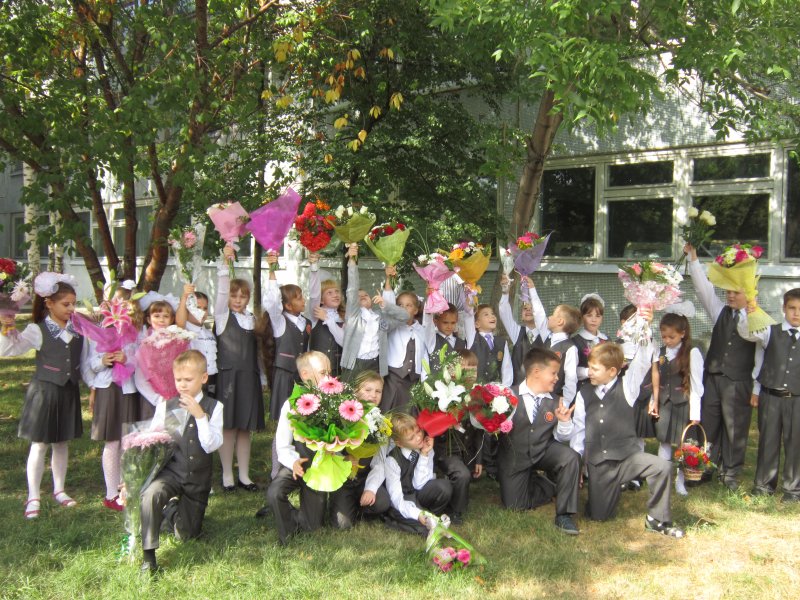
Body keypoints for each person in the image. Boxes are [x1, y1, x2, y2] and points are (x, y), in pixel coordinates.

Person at [572, 310, 685, 538]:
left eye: (594, 369)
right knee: (599, 516)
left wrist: (644, 323)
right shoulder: (583, 394)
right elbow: (579, 432)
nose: (588, 372)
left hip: (627, 460)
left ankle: (657, 520)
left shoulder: (627, 386)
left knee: (662, 466)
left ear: (612, 371)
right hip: (600, 466)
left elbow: (643, 360)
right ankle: (604, 495)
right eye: (589, 367)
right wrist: (579, 467)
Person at [0, 273, 87, 520]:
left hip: (68, 390)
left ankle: (59, 489)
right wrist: (6, 328)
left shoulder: (78, 327)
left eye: (73, 304)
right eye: (66, 304)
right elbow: (9, 350)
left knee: (62, 442)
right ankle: (33, 495)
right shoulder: (36, 330)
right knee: (40, 444)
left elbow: (84, 358)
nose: (71, 309)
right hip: (45, 392)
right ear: (49, 303)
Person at [139, 350, 223, 574]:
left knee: (187, 535)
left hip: (197, 479)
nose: (183, 385)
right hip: (172, 472)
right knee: (151, 495)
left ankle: (171, 510)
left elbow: (211, 445)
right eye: (178, 380)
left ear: (203, 378)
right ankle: (149, 558)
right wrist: (136, 476)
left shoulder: (215, 407)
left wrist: (200, 416)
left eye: (188, 380)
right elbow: (152, 442)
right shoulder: (166, 406)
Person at [685, 243, 755, 491]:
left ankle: (731, 472)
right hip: (713, 378)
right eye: (728, 292)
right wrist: (693, 258)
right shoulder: (720, 311)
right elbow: (703, 289)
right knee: (709, 424)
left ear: (748, 292)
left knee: (735, 427)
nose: (730, 296)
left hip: (738, 380)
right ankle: (705, 466)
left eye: (736, 292)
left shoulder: (755, 317)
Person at [499, 347, 581, 535]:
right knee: (515, 506)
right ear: (536, 372)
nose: (557, 378)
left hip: (544, 450)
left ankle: (564, 515)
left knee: (570, 457)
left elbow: (562, 437)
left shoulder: (556, 401)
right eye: (553, 373)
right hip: (516, 457)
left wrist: (564, 422)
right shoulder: (508, 396)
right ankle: (547, 485)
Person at [738, 288, 800, 501]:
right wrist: (747, 312)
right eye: (792, 308)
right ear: (784, 308)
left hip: (797, 400)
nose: (796, 313)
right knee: (768, 441)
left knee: (795, 443)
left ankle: (793, 489)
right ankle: (764, 485)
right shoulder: (770, 331)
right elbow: (747, 333)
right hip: (771, 397)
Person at [265, 351, 331, 543]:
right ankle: (287, 532)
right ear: (305, 375)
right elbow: (282, 444)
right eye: (323, 373)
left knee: (312, 527)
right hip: (297, 463)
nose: (328, 378)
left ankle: (300, 518)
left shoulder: (334, 403)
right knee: (274, 493)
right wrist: (293, 462)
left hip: (319, 470)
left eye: (329, 373)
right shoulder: (291, 405)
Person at [215, 246, 265, 492]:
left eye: (243, 296)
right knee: (228, 427)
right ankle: (227, 474)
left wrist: (262, 376)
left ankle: (244, 475)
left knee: (245, 428)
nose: (237, 300)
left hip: (249, 378)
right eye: (234, 296)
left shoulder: (252, 320)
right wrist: (226, 264)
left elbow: (258, 352)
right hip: (229, 378)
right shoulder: (222, 317)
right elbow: (221, 291)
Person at [86, 319, 139, 511]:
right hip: (108, 389)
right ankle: (111, 493)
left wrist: (127, 360)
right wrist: (103, 361)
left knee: (127, 440)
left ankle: (125, 489)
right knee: (112, 441)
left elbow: (138, 359)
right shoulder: (99, 333)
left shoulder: (132, 332)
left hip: (128, 389)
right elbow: (90, 363)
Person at [651, 308, 704, 497]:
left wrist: (695, 413)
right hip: (665, 404)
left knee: (684, 445)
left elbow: (697, 383)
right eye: (664, 336)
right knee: (664, 442)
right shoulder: (660, 352)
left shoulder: (692, 352)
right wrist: (654, 400)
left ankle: (680, 481)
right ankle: (662, 478)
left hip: (683, 405)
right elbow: (656, 379)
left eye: (671, 337)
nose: (667, 340)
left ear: (682, 333)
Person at [329, 370, 392, 529]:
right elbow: (330, 449)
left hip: (364, 478)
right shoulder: (343, 416)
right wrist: (344, 458)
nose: (373, 395)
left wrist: (370, 489)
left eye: (378, 391)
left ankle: (361, 510)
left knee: (382, 502)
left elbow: (380, 462)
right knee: (342, 525)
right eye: (368, 390)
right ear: (356, 391)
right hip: (343, 479)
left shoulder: (381, 424)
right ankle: (344, 505)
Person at [340, 243, 409, 381]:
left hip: (375, 365)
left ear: (372, 300)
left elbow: (405, 316)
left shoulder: (380, 317)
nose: (362, 296)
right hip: (354, 364)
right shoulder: (354, 316)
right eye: (358, 296)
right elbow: (352, 289)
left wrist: (385, 304)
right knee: (349, 394)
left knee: (373, 394)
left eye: (365, 294)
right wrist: (352, 262)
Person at [432, 349, 483, 524]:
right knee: (462, 474)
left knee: (464, 474)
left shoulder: (477, 395)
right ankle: (456, 511)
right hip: (447, 450)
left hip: (467, 451)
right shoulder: (444, 392)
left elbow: (479, 430)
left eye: (474, 369)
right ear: (452, 372)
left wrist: (479, 459)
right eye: (466, 369)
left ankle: (455, 497)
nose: (472, 373)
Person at [383, 412, 453, 536]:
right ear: (399, 443)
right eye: (411, 438)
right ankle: (415, 520)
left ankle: (431, 516)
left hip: (419, 493)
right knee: (422, 526)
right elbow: (397, 499)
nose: (419, 437)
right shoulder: (392, 461)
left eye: (418, 431)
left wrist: (424, 454)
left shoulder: (424, 446)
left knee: (444, 486)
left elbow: (420, 484)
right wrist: (417, 514)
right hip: (404, 498)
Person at [265, 251, 310, 421]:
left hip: (302, 374)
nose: (303, 300)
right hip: (284, 372)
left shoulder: (306, 321)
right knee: (284, 415)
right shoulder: (279, 321)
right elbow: (272, 303)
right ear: (288, 305)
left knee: (301, 414)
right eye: (299, 298)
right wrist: (272, 272)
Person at [382, 270, 425, 412]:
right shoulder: (393, 326)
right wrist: (388, 278)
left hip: (414, 380)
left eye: (408, 305)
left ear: (416, 310)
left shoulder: (423, 330)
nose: (404, 308)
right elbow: (387, 304)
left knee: (410, 413)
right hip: (394, 377)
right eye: (400, 305)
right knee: (390, 412)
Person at [134, 296, 179, 420]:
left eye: (165, 316)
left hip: (174, 395)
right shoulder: (145, 344)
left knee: (173, 428)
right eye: (157, 316)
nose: (161, 320)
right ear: (149, 319)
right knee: (151, 429)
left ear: (172, 319)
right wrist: (157, 399)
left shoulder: (177, 341)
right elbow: (140, 377)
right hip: (151, 397)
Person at [532, 298, 581, 407]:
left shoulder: (570, 348)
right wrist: (531, 290)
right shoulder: (547, 339)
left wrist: (564, 404)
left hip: (554, 402)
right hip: (536, 396)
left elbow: (571, 380)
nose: (549, 317)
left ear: (560, 321)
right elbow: (539, 315)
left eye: (553, 315)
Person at [498, 273, 546, 386]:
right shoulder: (517, 332)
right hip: (518, 388)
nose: (528, 310)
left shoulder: (546, 334)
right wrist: (505, 292)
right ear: (521, 315)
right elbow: (504, 313)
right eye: (525, 308)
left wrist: (532, 288)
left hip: (540, 388)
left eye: (531, 308)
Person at [176, 284, 218, 397]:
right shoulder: (184, 331)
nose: (202, 312)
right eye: (198, 308)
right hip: (193, 382)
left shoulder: (209, 333)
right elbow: (180, 323)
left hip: (211, 382)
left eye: (205, 308)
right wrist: (185, 296)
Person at [307, 253, 344, 376]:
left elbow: (343, 341)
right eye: (329, 292)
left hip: (338, 371)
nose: (335, 295)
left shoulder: (344, 317)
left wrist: (328, 320)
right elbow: (314, 294)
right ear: (322, 300)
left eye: (337, 291)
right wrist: (314, 267)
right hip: (317, 371)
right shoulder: (316, 312)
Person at [573, 293, 608, 390]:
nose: (594, 320)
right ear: (582, 317)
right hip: (584, 389)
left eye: (598, 316)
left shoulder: (607, 340)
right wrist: (588, 372)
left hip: (606, 390)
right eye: (589, 315)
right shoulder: (575, 342)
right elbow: (570, 371)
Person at [423, 303, 466, 374]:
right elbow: (427, 324)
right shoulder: (432, 340)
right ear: (435, 321)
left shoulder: (462, 343)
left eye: (453, 323)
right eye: (445, 322)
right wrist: (429, 306)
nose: (449, 326)